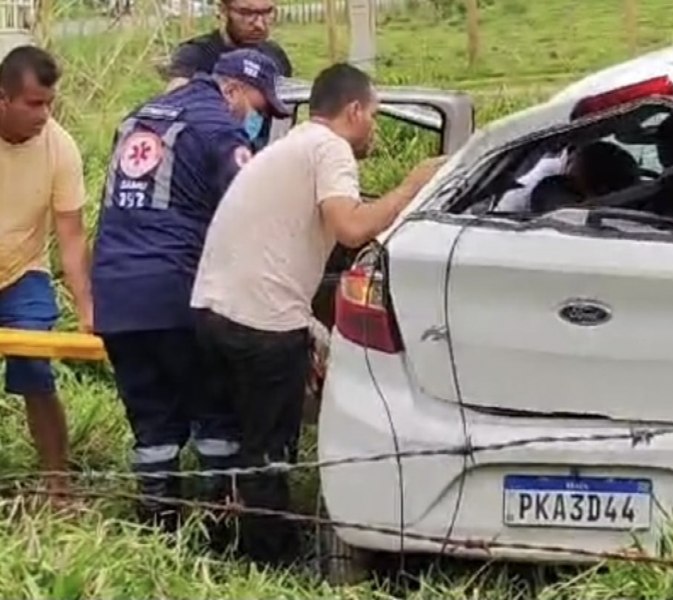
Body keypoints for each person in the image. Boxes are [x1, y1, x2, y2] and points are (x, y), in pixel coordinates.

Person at [190, 62, 445, 564]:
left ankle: (216, 545)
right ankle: (267, 560)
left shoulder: (293, 146)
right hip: (262, 322)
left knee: (239, 441)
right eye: (373, 115)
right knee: (270, 450)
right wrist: (412, 187)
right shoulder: (330, 149)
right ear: (354, 110)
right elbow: (350, 229)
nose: (373, 127)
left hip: (215, 308)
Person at [91, 49, 290, 532]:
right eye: (259, 109)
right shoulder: (217, 127)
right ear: (234, 90)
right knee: (214, 413)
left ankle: (158, 533)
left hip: (116, 294)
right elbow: (255, 205)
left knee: (152, 422)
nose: (255, 121)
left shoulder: (137, 116)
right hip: (177, 291)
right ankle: (218, 533)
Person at [0, 46, 93, 503]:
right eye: (34, 103)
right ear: (2, 99)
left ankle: (58, 485)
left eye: (49, 102)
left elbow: (72, 238)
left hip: (22, 273)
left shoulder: (60, 147)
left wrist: (87, 309)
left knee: (35, 368)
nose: (44, 114)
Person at [165, 0, 292, 150]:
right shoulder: (196, 55)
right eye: (246, 13)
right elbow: (174, 105)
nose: (259, 24)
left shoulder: (274, 56)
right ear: (223, 10)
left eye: (267, 12)